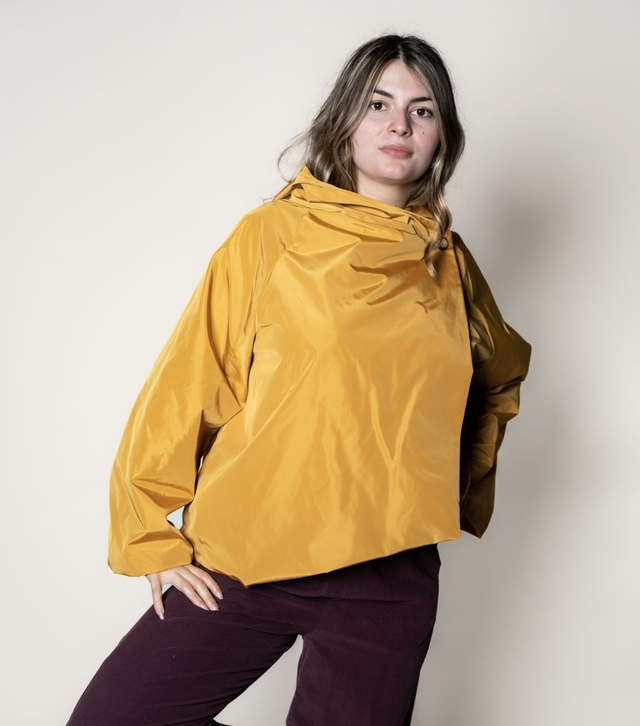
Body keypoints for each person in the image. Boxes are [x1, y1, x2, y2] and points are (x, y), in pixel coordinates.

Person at [67, 33, 532, 726]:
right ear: (345, 119)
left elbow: (497, 378)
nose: (400, 126)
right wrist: (148, 536)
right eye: (378, 104)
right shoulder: (271, 235)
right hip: (246, 556)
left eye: (422, 110)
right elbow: (190, 380)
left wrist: (433, 489)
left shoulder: (448, 263)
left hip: (386, 582)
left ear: (442, 136)